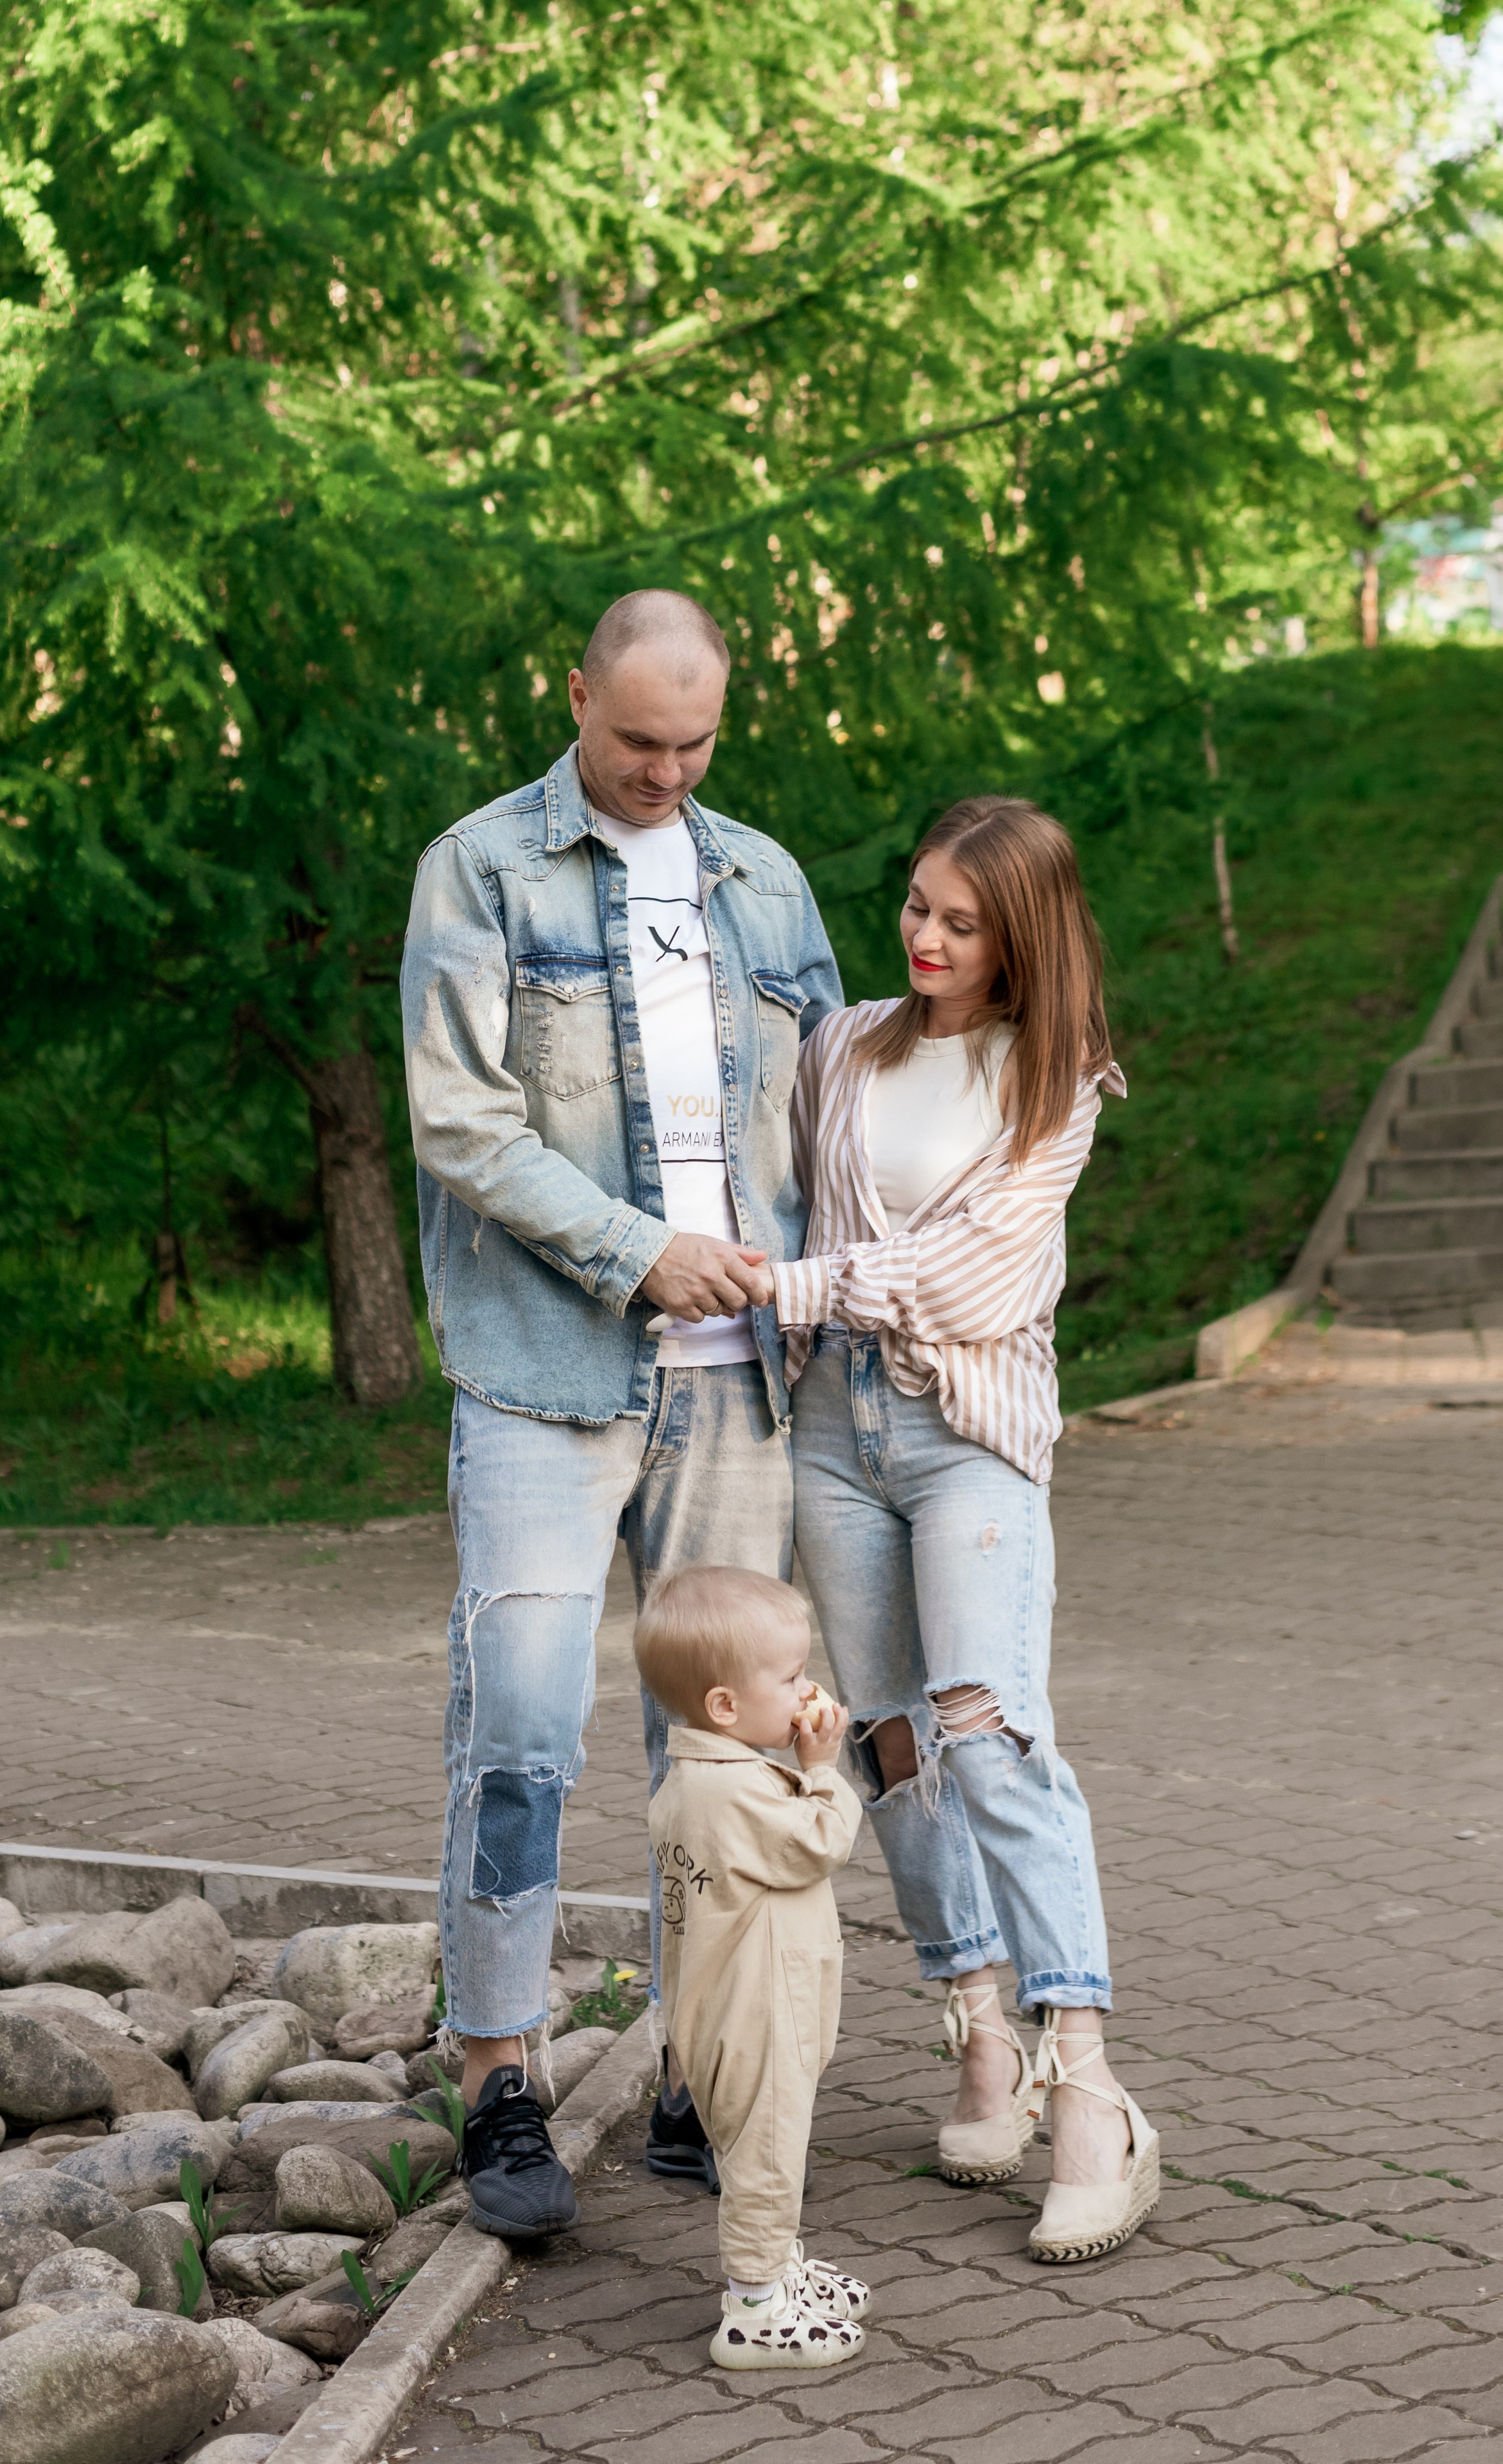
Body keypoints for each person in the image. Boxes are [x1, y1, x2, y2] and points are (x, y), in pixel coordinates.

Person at [399, 589, 843, 2241]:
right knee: (516, 1727)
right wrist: (637, 1252)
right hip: (541, 1365)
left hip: (740, 1387)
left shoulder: (765, 875)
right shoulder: (480, 867)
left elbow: (830, 1098)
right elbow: (456, 1120)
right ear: (575, 695)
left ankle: (697, 2069)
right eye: (635, 738)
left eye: (694, 743)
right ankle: (500, 2076)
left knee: (716, 1740)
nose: (664, 771)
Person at [763, 793, 1160, 2266]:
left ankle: (1088, 2088)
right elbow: (799, 1195)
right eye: (916, 904)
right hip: (829, 1435)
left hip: (969, 1436)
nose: (922, 937)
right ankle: (975, 2026)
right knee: (886, 1740)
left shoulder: (1052, 1083)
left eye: (957, 919)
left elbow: (972, 1281)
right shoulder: (843, 1045)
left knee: (983, 1727)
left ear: (1020, 936)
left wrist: (789, 1288)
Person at [637, 1564, 870, 2369]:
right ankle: (755, 2307)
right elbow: (822, 1842)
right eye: (792, 1676)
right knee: (767, 2155)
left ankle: (777, 2266)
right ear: (725, 1706)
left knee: (769, 2145)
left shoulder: (702, 1778)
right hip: (756, 2010)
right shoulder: (735, 1791)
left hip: (750, 2002)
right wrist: (824, 1768)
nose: (808, 1689)